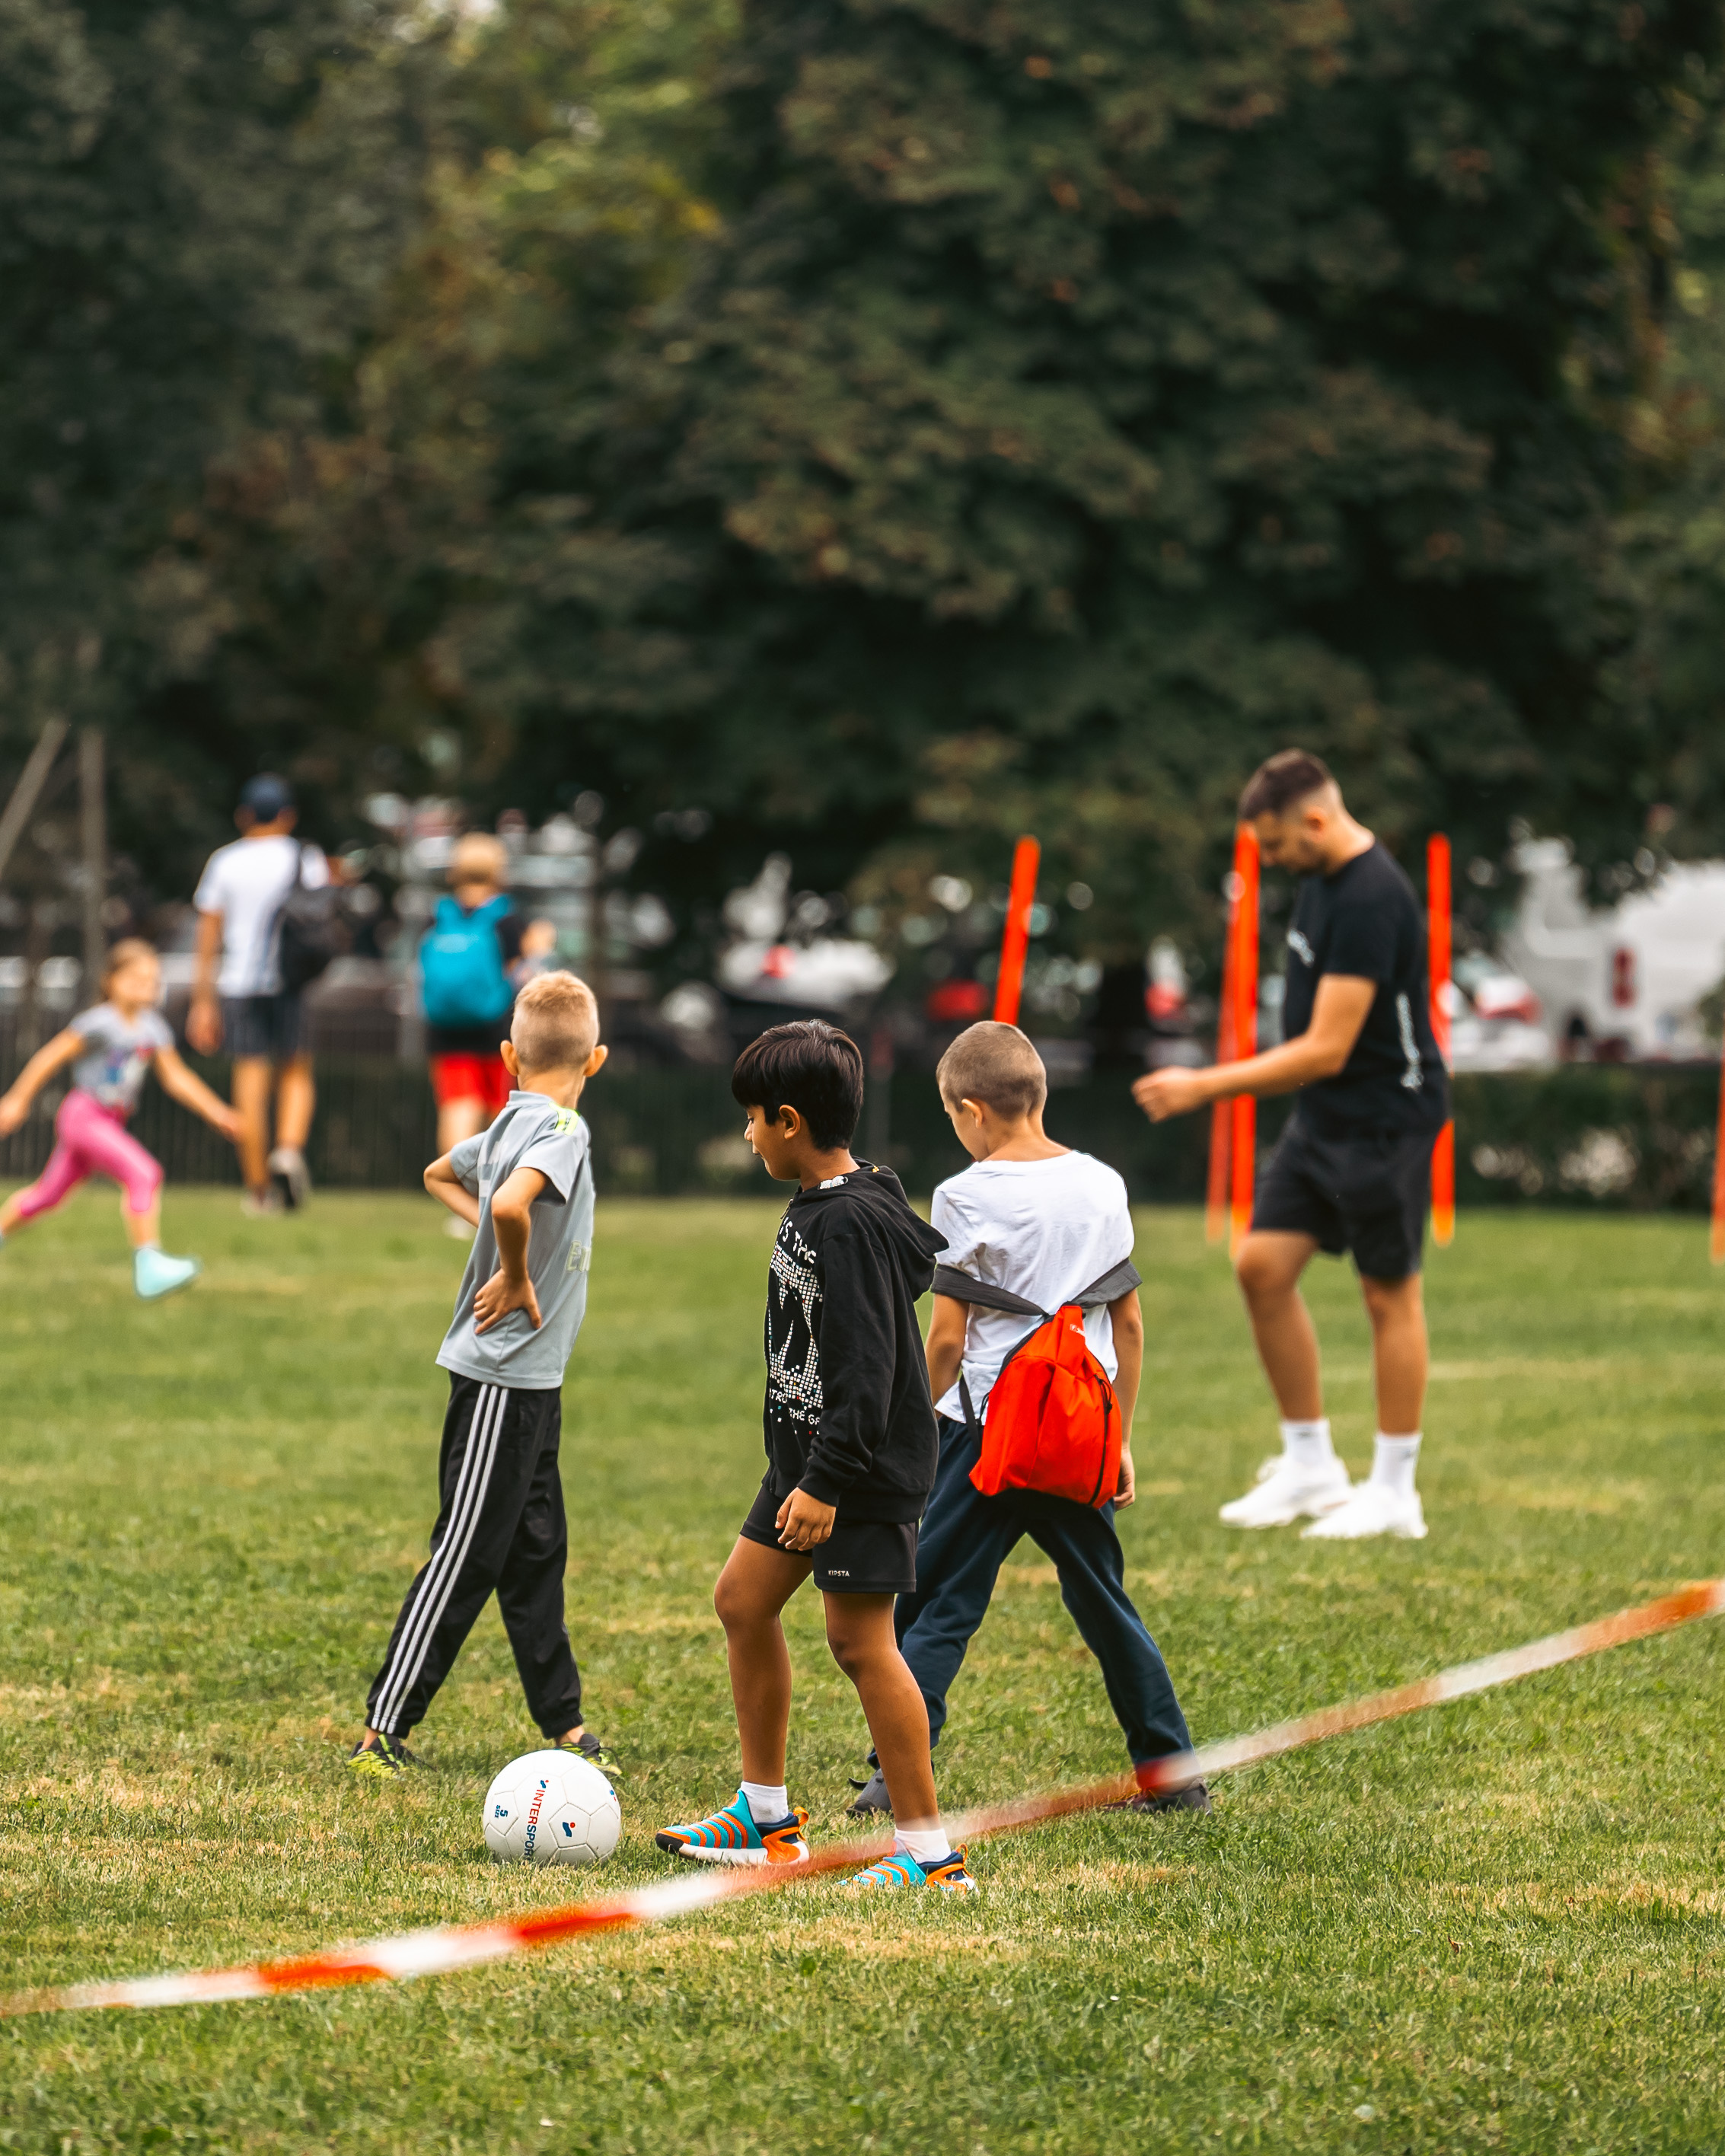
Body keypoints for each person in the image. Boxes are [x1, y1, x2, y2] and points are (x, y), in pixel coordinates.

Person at [847, 1022, 1207, 1820]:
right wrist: (1120, 1438)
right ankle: (1173, 1774)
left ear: (972, 1111)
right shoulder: (1102, 1185)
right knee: (1103, 1602)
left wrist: (910, 1433)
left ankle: (891, 1777)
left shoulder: (964, 1194)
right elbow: (1131, 1325)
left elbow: (946, 1339)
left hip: (982, 1437)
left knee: (932, 1598)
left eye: (952, 1118)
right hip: (1077, 1425)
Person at [655, 1020, 975, 1892]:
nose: (748, 1135)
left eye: (753, 1120)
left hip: (856, 1470)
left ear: (790, 1121)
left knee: (861, 1643)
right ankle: (764, 1817)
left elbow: (867, 1370)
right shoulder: (849, 1191)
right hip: (807, 1462)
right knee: (742, 1602)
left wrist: (830, 1482)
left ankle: (930, 1854)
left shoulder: (849, 1224)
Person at [1134, 749, 1448, 1540]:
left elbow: (1326, 1047)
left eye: (1274, 845)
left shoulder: (1373, 896)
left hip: (1386, 1117)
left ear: (1315, 820)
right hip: (1325, 1120)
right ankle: (1310, 1465)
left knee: (1388, 1294)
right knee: (1259, 1266)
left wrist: (1203, 1085)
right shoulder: (1317, 884)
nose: (1268, 861)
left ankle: (1393, 1489)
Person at [347, 970, 618, 1777]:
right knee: (466, 1549)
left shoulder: (508, 1120)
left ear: (507, 1056)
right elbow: (507, 1208)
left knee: (536, 1548)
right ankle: (382, 1729)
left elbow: (441, 1175)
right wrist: (514, 1268)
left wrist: (497, 1245)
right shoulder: (563, 1128)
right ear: (595, 1060)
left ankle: (563, 1721)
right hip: (504, 1374)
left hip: (530, 1381)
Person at [0, 939, 240, 1298]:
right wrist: (17, 1100)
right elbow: (49, 1057)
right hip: (84, 1115)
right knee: (144, 1173)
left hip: (109, 1121)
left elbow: (177, 1079)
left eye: (152, 981)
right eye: (136, 979)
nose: (146, 987)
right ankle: (150, 1264)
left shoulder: (153, 1029)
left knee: (48, 1196)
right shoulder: (100, 1022)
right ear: (111, 981)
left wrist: (216, 1111)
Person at [188, 773, 327, 1215]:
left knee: (250, 1080)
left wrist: (202, 1000)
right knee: (296, 1071)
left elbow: (208, 935)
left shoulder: (225, 862)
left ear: (243, 816)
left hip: (241, 982)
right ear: (288, 816)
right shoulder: (307, 858)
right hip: (292, 981)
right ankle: (288, 1149)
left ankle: (258, 1189)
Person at [421, 832, 556, 1185]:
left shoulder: (439, 915)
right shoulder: (506, 918)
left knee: (457, 1106)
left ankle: (461, 1197)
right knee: (501, 1110)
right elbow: (520, 973)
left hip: (444, 1027)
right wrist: (538, 948)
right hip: (497, 1026)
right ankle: (497, 1192)